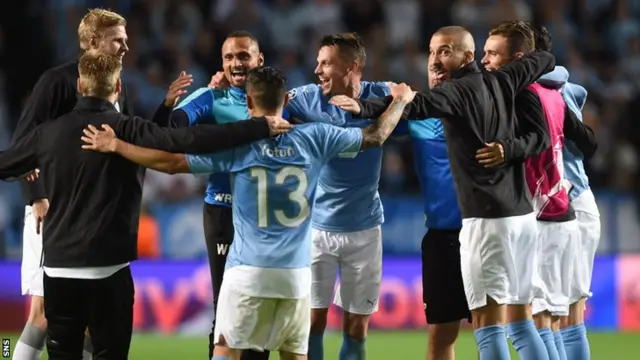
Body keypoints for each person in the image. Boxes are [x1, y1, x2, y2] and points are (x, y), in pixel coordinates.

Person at [79, 66, 416, 360]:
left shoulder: (240, 146)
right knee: (294, 354)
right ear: (286, 102)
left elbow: (171, 163)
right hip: (296, 274)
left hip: (247, 270)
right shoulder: (316, 136)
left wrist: (117, 146)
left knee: (225, 350)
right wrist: (399, 100)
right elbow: (375, 136)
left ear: (249, 105)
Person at [0, 53, 288, 360]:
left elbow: (5, 163)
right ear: (119, 86)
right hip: (110, 268)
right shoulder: (127, 129)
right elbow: (190, 137)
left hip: (59, 270)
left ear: (81, 86)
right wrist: (257, 127)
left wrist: (29, 174)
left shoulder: (47, 134)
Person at [330, 25, 556, 360]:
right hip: (493, 223)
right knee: (513, 325)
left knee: (488, 325)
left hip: (483, 222)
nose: (435, 60)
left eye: (445, 52)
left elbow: (412, 104)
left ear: (466, 57)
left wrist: (365, 105)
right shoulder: (503, 81)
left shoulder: (460, 94)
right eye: (432, 53)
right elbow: (545, 59)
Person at [9, 8, 192, 360]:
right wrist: (37, 197)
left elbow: (136, 140)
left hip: (97, 225)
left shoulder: (119, 85)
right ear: (94, 42)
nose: (126, 46)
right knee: (40, 315)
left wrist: (166, 107)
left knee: (97, 326)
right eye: (118, 39)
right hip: (55, 215)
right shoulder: (58, 81)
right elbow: (22, 147)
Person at [209, 33, 394, 360]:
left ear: (351, 67)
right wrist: (226, 91)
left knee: (356, 329)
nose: (317, 70)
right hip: (317, 229)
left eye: (326, 63)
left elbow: (414, 108)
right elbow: (265, 101)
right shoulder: (305, 99)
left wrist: (379, 104)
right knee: (311, 324)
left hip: (365, 228)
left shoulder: (381, 94)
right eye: (318, 62)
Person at [478, 21, 598, 360]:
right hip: (570, 206)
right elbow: (589, 142)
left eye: (490, 53)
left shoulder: (523, 94)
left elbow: (538, 141)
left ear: (523, 57)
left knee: (537, 320)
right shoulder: (558, 91)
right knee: (567, 318)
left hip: (545, 212)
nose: (483, 61)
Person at [169, 30, 269, 360]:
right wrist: (219, 133)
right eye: (228, 57)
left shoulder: (280, 98)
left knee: (263, 303)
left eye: (243, 56)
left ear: (259, 60)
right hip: (224, 211)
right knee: (225, 302)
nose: (235, 63)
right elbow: (177, 122)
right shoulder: (213, 97)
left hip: (264, 216)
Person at [537, 63, 601, 360]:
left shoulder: (549, 85)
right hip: (562, 203)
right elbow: (578, 89)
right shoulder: (566, 90)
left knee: (556, 314)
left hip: (568, 201)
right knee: (558, 313)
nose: (488, 61)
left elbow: (558, 73)